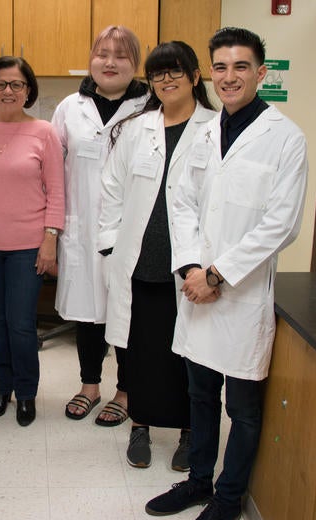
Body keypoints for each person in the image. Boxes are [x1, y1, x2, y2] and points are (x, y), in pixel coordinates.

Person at [145, 27, 308, 520]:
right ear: (209, 73)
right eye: (221, 67)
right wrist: (193, 269)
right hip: (197, 289)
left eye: (241, 67)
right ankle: (197, 481)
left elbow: (281, 224)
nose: (229, 76)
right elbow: (182, 202)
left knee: (241, 407)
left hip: (239, 295)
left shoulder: (287, 137)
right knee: (198, 395)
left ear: (261, 73)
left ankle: (228, 496)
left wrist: (217, 274)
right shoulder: (204, 131)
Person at [99, 42, 215, 470]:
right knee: (142, 348)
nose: (167, 80)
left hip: (189, 264)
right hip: (141, 258)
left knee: (188, 352)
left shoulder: (214, 127)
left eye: (175, 71)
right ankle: (141, 425)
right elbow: (111, 187)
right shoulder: (137, 127)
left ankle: (189, 430)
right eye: (159, 74)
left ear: (195, 76)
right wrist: (110, 244)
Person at [0, 56, 65, 426]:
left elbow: (56, 191)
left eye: (16, 84)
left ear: (28, 91)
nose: (8, 91)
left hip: (27, 245)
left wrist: (49, 240)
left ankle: (26, 393)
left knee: (20, 323)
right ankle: (1, 387)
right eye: (1, 84)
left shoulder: (44, 132)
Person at [52, 26, 148, 426]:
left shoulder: (151, 105)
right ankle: (89, 385)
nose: (110, 62)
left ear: (135, 64)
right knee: (87, 311)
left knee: (128, 311)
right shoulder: (69, 108)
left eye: (121, 55)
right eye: (102, 53)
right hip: (83, 229)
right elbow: (53, 173)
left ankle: (126, 391)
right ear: (91, 59)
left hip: (133, 230)